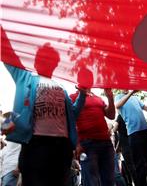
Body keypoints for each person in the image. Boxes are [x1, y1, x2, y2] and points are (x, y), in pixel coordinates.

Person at [1, 29, 87, 186]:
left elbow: (72, 114)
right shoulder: (26, 78)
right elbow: (8, 54)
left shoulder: (62, 88)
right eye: (42, 59)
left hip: (62, 147)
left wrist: (82, 94)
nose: (47, 62)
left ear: (55, 64)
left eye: (50, 60)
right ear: (35, 62)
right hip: (35, 144)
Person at [70, 86, 116, 186]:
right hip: (87, 145)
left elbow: (111, 116)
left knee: (110, 181)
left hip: (106, 143)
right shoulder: (73, 97)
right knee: (92, 182)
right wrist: (77, 144)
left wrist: (110, 98)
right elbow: (70, 120)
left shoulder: (98, 98)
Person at [115, 91, 147, 186]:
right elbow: (117, 105)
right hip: (134, 134)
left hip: (145, 131)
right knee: (139, 164)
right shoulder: (118, 97)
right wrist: (131, 93)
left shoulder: (135, 98)